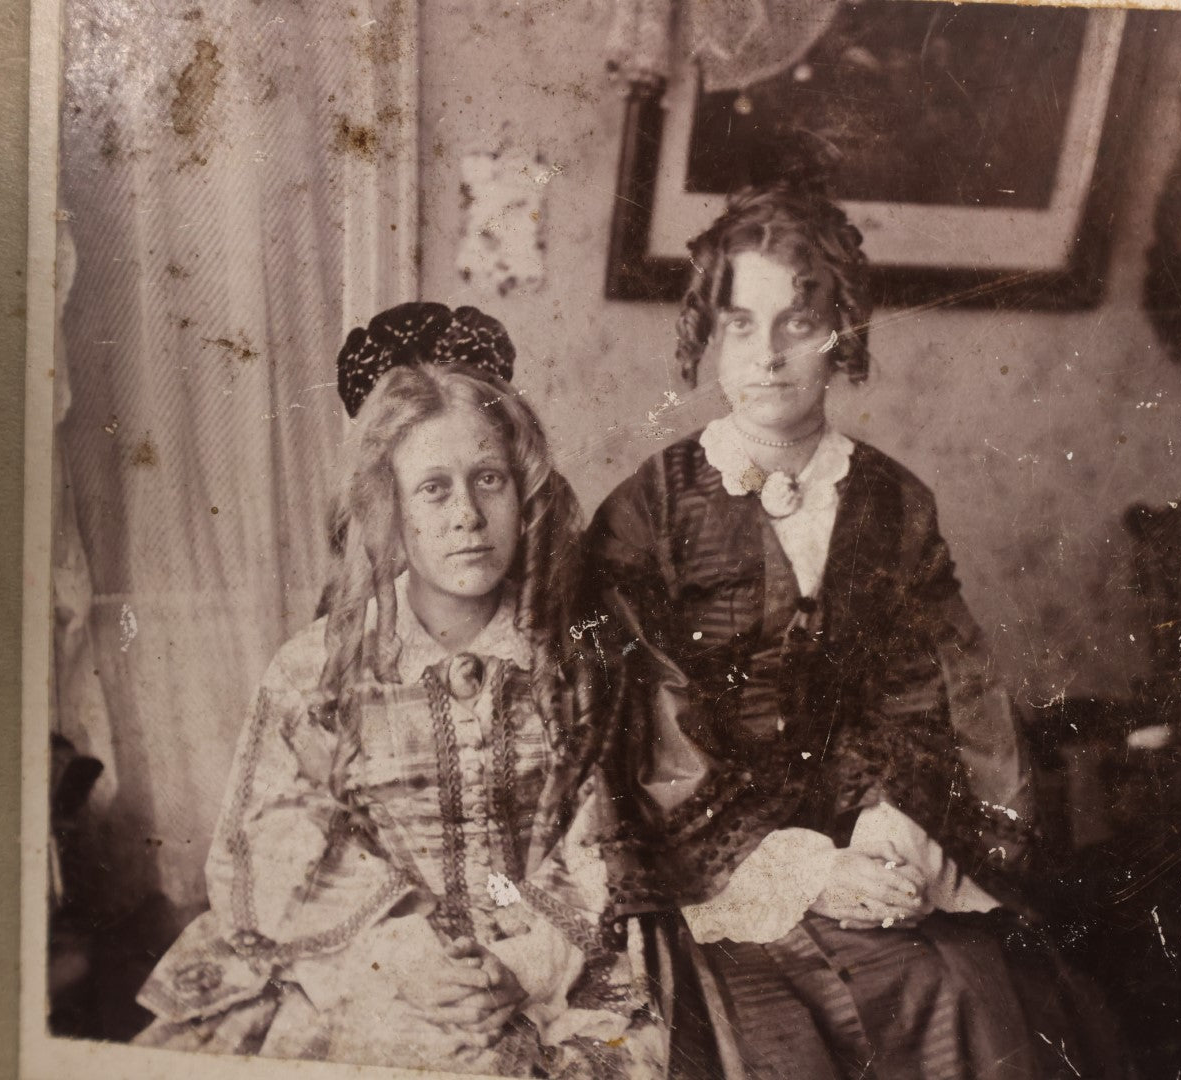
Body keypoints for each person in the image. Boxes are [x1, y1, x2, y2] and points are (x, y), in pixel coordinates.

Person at [587, 186, 1111, 1079]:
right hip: (712, 867)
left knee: (968, 996)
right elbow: (647, 733)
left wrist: (883, 844)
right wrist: (798, 871)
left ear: (844, 328)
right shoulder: (651, 508)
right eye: (742, 325)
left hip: (872, 848)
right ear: (710, 332)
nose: (769, 355)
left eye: (799, 322)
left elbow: (940, 696)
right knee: (759, 1040)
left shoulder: (894, 501)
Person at [134, 303, 666, 1078]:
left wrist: (518, 964)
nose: (467, 519)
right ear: (389, 505)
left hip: (540, 964)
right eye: (433, 489)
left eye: (488, 481)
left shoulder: (574, 662)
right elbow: (277, 840)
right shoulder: (317, 668)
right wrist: (397, 952)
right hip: (367, 961)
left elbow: (601, 838)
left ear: (524, 494)